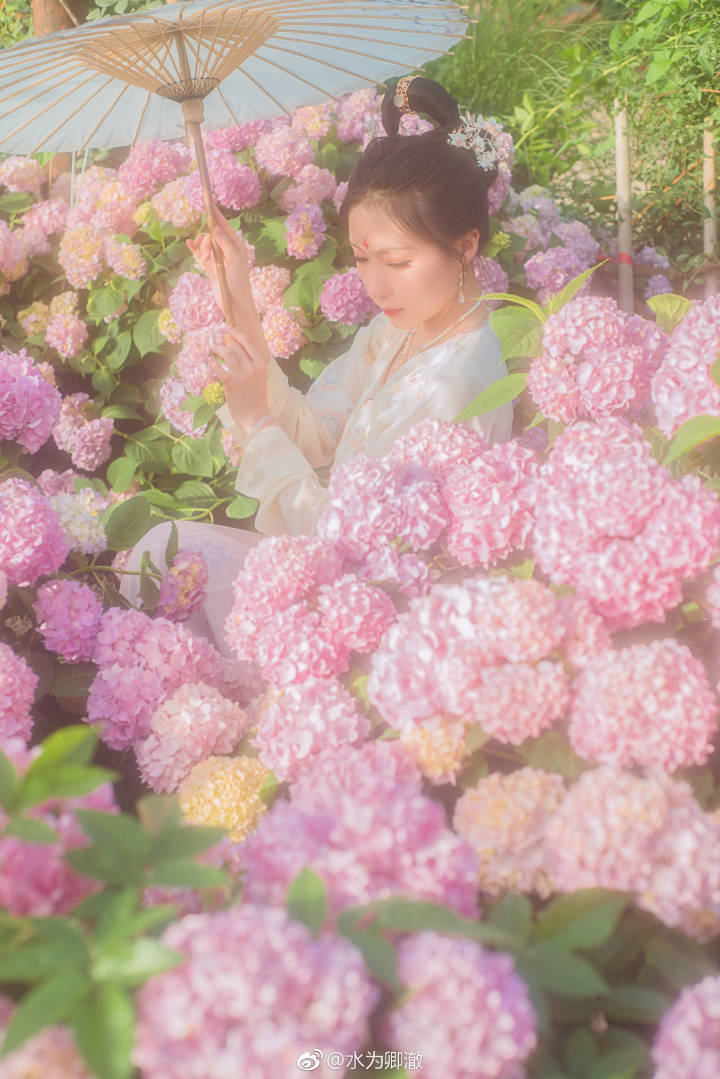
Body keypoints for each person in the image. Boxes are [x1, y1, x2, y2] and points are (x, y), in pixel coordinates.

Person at [120, 75, 513, 653]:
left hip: (381, 614)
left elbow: (346, 544)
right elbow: (317, 436)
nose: (376, 284)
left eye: (398, 261)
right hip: (334, 562)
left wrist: (257, 426)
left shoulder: (456, 383)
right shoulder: (398, 329)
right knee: (162, 551)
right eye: (361, 258)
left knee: (167, 571)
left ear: (467, 245)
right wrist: (237, 289)